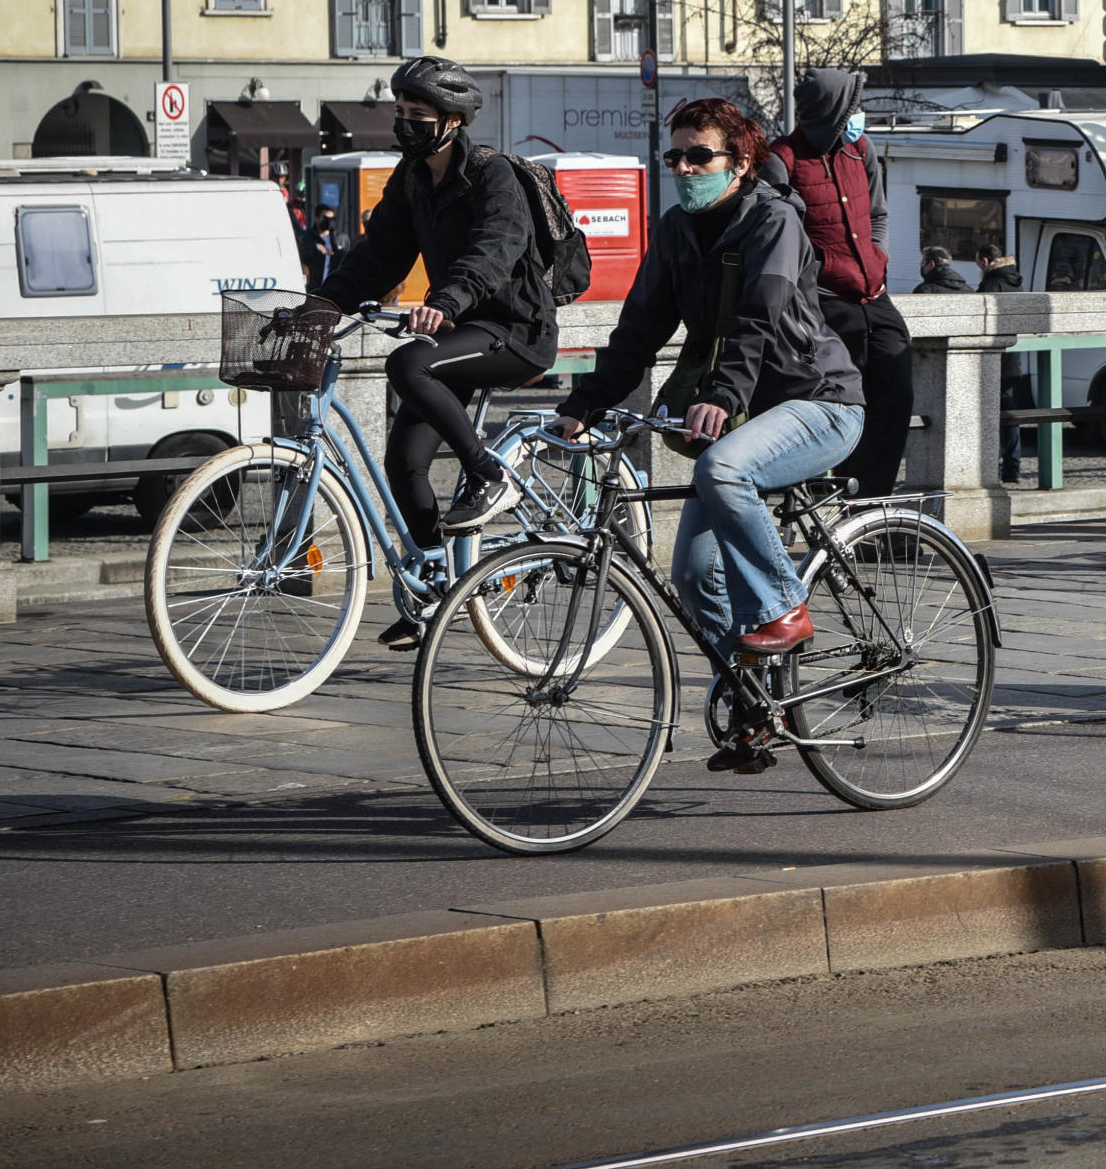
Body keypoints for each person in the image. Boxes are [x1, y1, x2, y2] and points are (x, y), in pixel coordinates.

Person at [551, 99, 863, 718]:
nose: (685, 169)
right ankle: (755, 706)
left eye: (700, 156)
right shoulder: (676, 230)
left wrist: (721, 395)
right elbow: (638, 331)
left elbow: (758, 317)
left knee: (721, 468)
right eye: (675, 157)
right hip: (744, 418)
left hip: (817, 402)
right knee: (694, 576)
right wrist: (583, 405)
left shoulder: (774, 220)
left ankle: (783, 607)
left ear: (741, 162)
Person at [311, 57, 554, 648]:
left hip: (514, 330)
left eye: (416, 113)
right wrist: (323, 304)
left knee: (407, 362)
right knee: (404, 462)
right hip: (460, 332)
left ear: (452, 120)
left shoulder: (493, 176)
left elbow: (494, 250)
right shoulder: (413, 178)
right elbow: (380, 254)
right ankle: (435, 591)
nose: (404, 123)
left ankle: (490, 474)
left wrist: (446, 300)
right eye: (399, 112)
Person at [758, 69, 908, 500]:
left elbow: (878, 213)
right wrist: (819, 272)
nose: (859, 116)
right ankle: (835, 506)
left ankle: (871, 507)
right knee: (839, 407)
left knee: (896, 399)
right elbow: (779, 235)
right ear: (833, 112)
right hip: (823, 305)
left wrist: (877, 257)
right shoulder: (782, 159)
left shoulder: (861, 149)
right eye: (852, 108)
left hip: (874, 296)